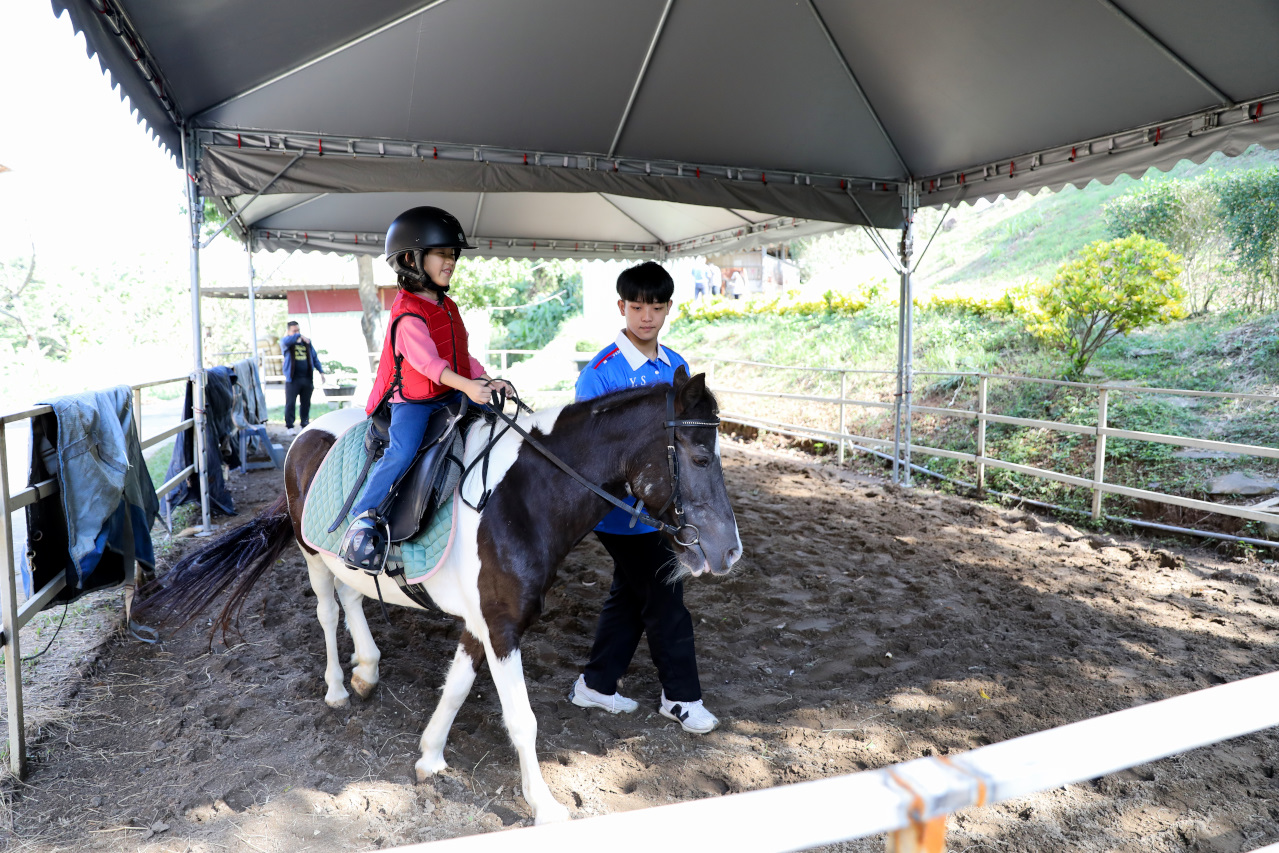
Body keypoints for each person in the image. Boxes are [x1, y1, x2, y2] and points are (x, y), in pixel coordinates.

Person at [568, 262, 718, 734]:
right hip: (619, 516)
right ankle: (681, 698)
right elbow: (587, 454)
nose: (646, 317)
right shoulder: (600, 374)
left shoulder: (676, 367)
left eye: (656, 307)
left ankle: (596, 684)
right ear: (622, 307)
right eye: (637, 307)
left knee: (631, 596)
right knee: (665, 601)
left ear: (669, 307)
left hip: (664, 512)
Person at [339, 206, 510, 570]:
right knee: (402, 452)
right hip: (414, 402)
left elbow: (460, 356)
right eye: (441, 254)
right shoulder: (407, 314)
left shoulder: (447, 306)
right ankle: (362, 519)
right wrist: (469, 387)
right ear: (410, 260)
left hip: (450, 391)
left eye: (453, 254)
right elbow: (429, 365)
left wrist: (487, 380)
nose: (451, 262)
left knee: (497, 425)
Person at [280, 321, 324, 433]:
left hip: (306, 378)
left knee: (305, 403)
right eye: (294, 331)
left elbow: (314, 357)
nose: (297, 333)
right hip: (292, 379)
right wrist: (298, 336)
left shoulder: (306, 343)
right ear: (288, 332)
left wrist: (321, 371)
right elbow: (285, 341)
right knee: (290, 403)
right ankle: (290, 426)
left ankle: (304, 424)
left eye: (298, 330)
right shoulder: (286, 343)